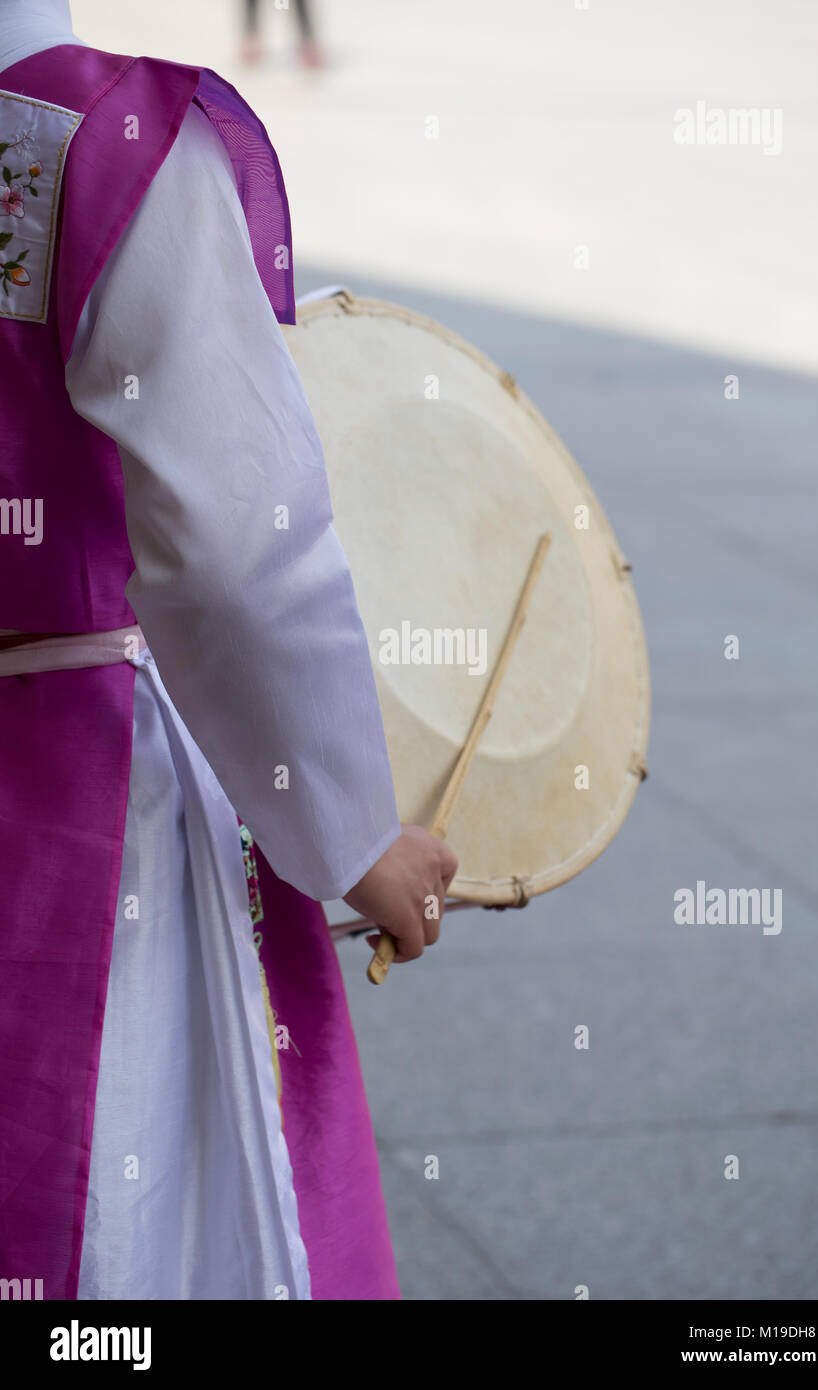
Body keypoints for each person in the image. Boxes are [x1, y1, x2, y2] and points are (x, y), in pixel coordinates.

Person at [0, 0, 456, 1302]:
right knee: (118, 1197)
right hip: (72, 782)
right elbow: (236, 552)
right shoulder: (104, 141)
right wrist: (355, 833)